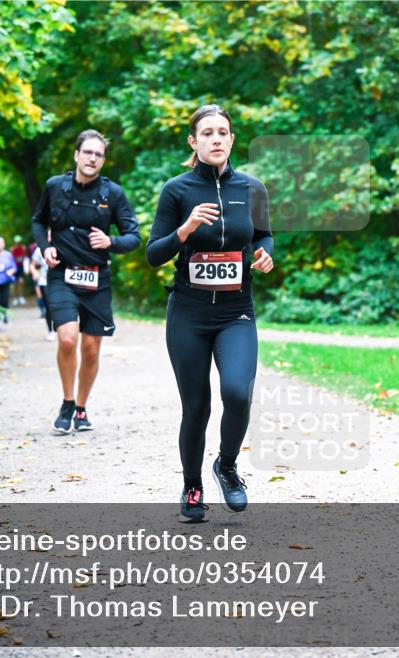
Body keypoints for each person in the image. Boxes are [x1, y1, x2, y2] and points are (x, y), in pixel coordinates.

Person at [146, 104, 274, 521]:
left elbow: (264, 235)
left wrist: (264, 255)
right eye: (207, 133)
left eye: (223, 132)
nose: (216, 139)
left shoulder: (252, 189)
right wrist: (184, 229)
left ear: (232, 140)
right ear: (193, 141)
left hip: (236, 311)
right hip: (188, 313)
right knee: (196, 406)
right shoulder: (177, 190)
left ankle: (227, 466)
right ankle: (192, 487)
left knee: (238, 392)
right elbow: (153, 255)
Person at [32, 129, 141, 434]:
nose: (93, 158)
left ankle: (81, 408)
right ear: (77, 155)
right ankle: (67, 403)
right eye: (88, 152)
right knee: (68, 338)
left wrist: (111, 241)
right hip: (62, 275)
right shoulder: (55, 187)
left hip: (97, 278)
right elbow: (39, 221)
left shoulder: (113, 194)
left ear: (103, 161)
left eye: (99, 154)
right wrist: (46, 247)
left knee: (91, 349)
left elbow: (134, 236)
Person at [30, 243, 55, 341]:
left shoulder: (63, 244)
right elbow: (32, 265)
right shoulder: (40, 249)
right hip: (45, 281)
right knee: (49, 306)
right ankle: (50, 331)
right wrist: (35, 272)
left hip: (62, 281)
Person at [10, 235, 28, 305]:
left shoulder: (23, 248)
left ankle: (21, 297)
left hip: (21, 267)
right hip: (14, 268)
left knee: (21, 282)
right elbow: (11, 259)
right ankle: (15, 298)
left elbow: (25, 257)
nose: (17, 243)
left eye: (18, 242)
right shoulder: (12, 249)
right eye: (16, 242)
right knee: (14, 283)